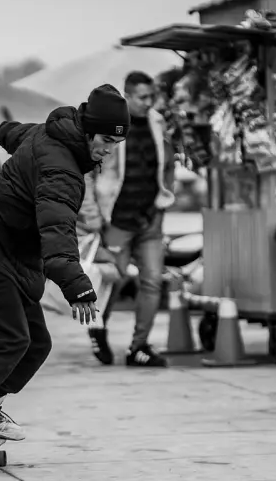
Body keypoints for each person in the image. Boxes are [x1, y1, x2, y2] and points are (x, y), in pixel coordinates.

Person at [0, 84, 130, 448]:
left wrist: (3, 132)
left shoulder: (51, 133)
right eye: (105, 141)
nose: (108, 150)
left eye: (116, 143)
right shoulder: (62, 172)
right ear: (87, 131)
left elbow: (21, 133)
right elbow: (57, 230)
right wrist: (77, 285)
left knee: (36, 344)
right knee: (10, 338)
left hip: (11, 259)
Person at [80, 71, 176, 368]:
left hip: (150, 220)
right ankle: (97, 328)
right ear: (128, 96)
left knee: (153, 282)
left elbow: (168, 164)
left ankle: (139, 348)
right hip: (116, 221)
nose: (149, 102)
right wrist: (93, 217)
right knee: (114, 281)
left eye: (152, 97)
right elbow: (87, 172)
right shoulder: (109, 126)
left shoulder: (158, 123)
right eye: (143, 97)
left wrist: (165, 198)